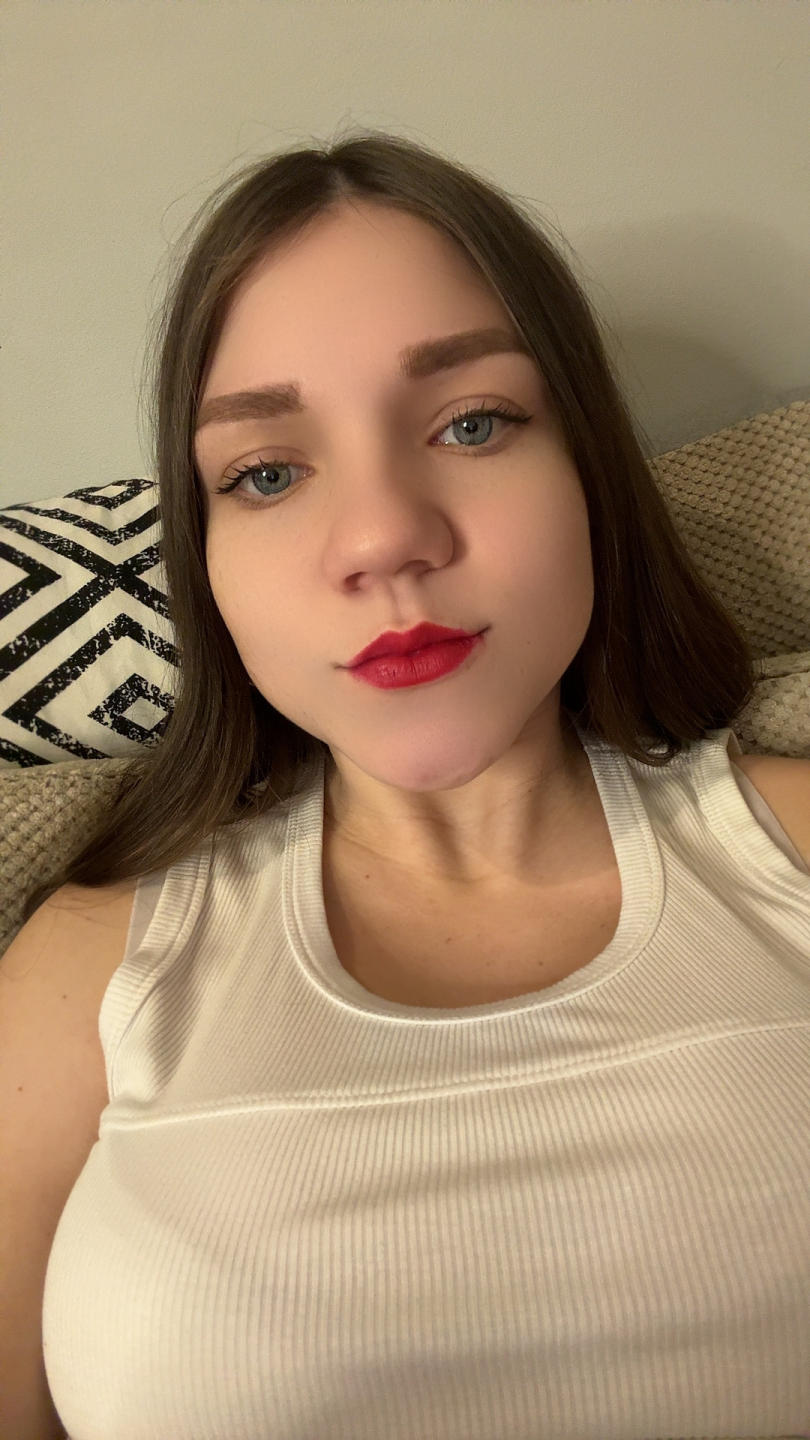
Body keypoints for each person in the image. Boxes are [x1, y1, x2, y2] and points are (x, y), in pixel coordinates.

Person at [6, 129, 809, 1439]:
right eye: (266, 473)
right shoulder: (83, 967)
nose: (383, 537)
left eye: (472, 423)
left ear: (592, 477)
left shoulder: (793, 851)